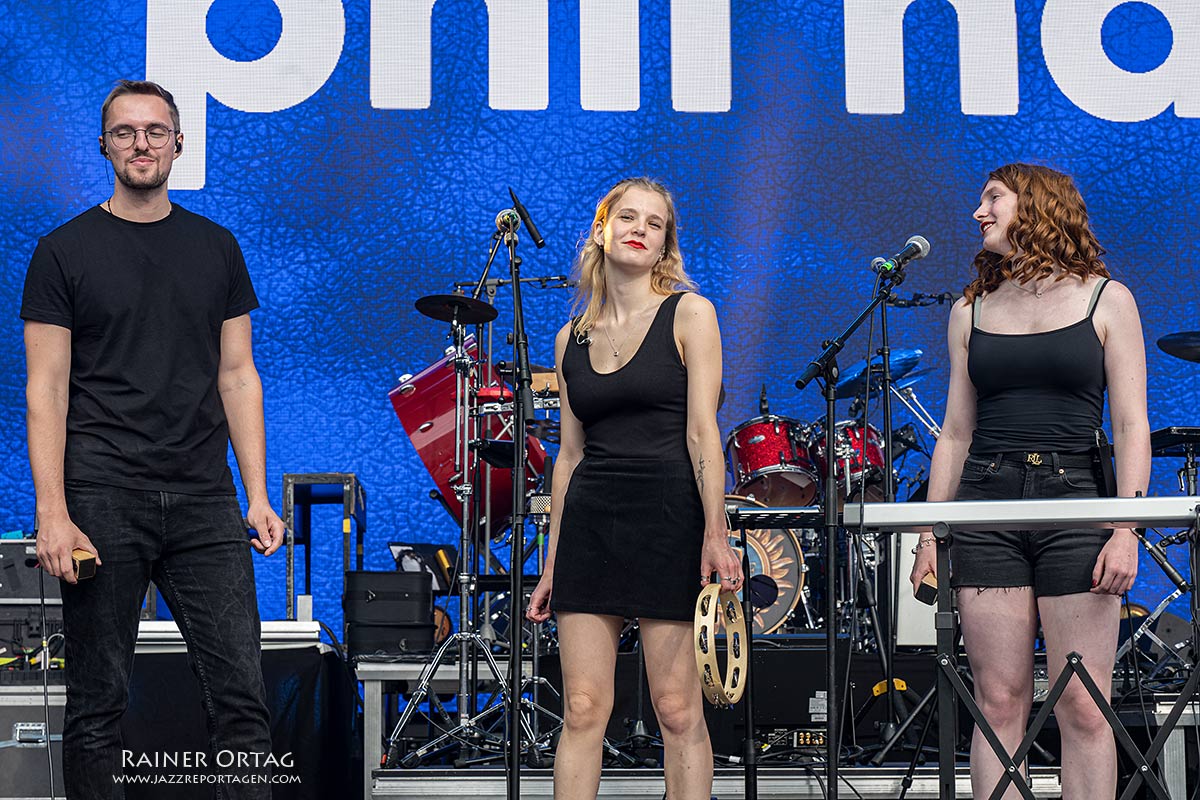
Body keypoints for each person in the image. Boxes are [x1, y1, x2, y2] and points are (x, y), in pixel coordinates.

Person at [21, 79, 285, 797]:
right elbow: (44, 388)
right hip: (103, 496)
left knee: (242, 702)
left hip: (205, 500)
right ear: (103, 145)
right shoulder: (62, 251)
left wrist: (257, 494)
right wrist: (52, 510)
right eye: (125, 132)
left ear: (178, 143)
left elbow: (239, 377)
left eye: (156, 131)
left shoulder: (217, 247)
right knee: (97, 708)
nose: (142, 144)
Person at [910, 163, 1149, 799]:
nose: (978, 212)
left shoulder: (1107, 299)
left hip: (1078, 504)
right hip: (986, 504)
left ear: (1037, 205)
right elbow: (955, 434)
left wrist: (1126, 529)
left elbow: (1130, 425)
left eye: (992, 198)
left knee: (1083, 705)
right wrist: (934, 533)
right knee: (998, 701)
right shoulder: (971, 309)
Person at [526, 177, 741, 799]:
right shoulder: (572, 338)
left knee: (677, 710)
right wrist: (552, 563)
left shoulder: (690, 313)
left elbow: (704, 434)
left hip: (670, 519)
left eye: (655, 222)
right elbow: (568, 458)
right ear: (602, 228)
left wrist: (716, 534)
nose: (640, 228)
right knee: (584, 708)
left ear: (666, 242)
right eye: (627, 216)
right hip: (593, 523)